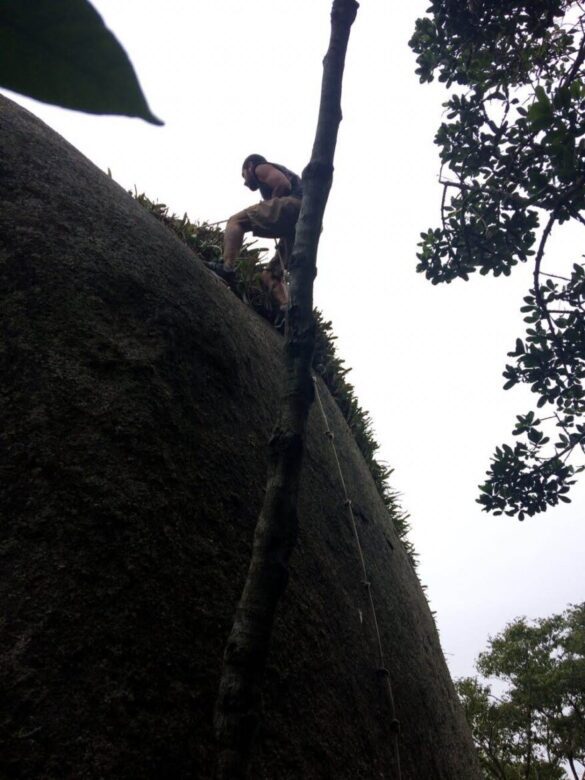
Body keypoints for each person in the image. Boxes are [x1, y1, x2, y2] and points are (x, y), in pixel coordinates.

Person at [205, 154, 303, 308]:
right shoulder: (288, 176)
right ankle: (287, 309)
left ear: (249, 166)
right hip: (304, 225)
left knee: (235, 221)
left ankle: (226, 267)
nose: (245, 182)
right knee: (270, 275)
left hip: (293, 206)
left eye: (244, 175)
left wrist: (271, 204)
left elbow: (283, 184)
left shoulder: (259, 167)